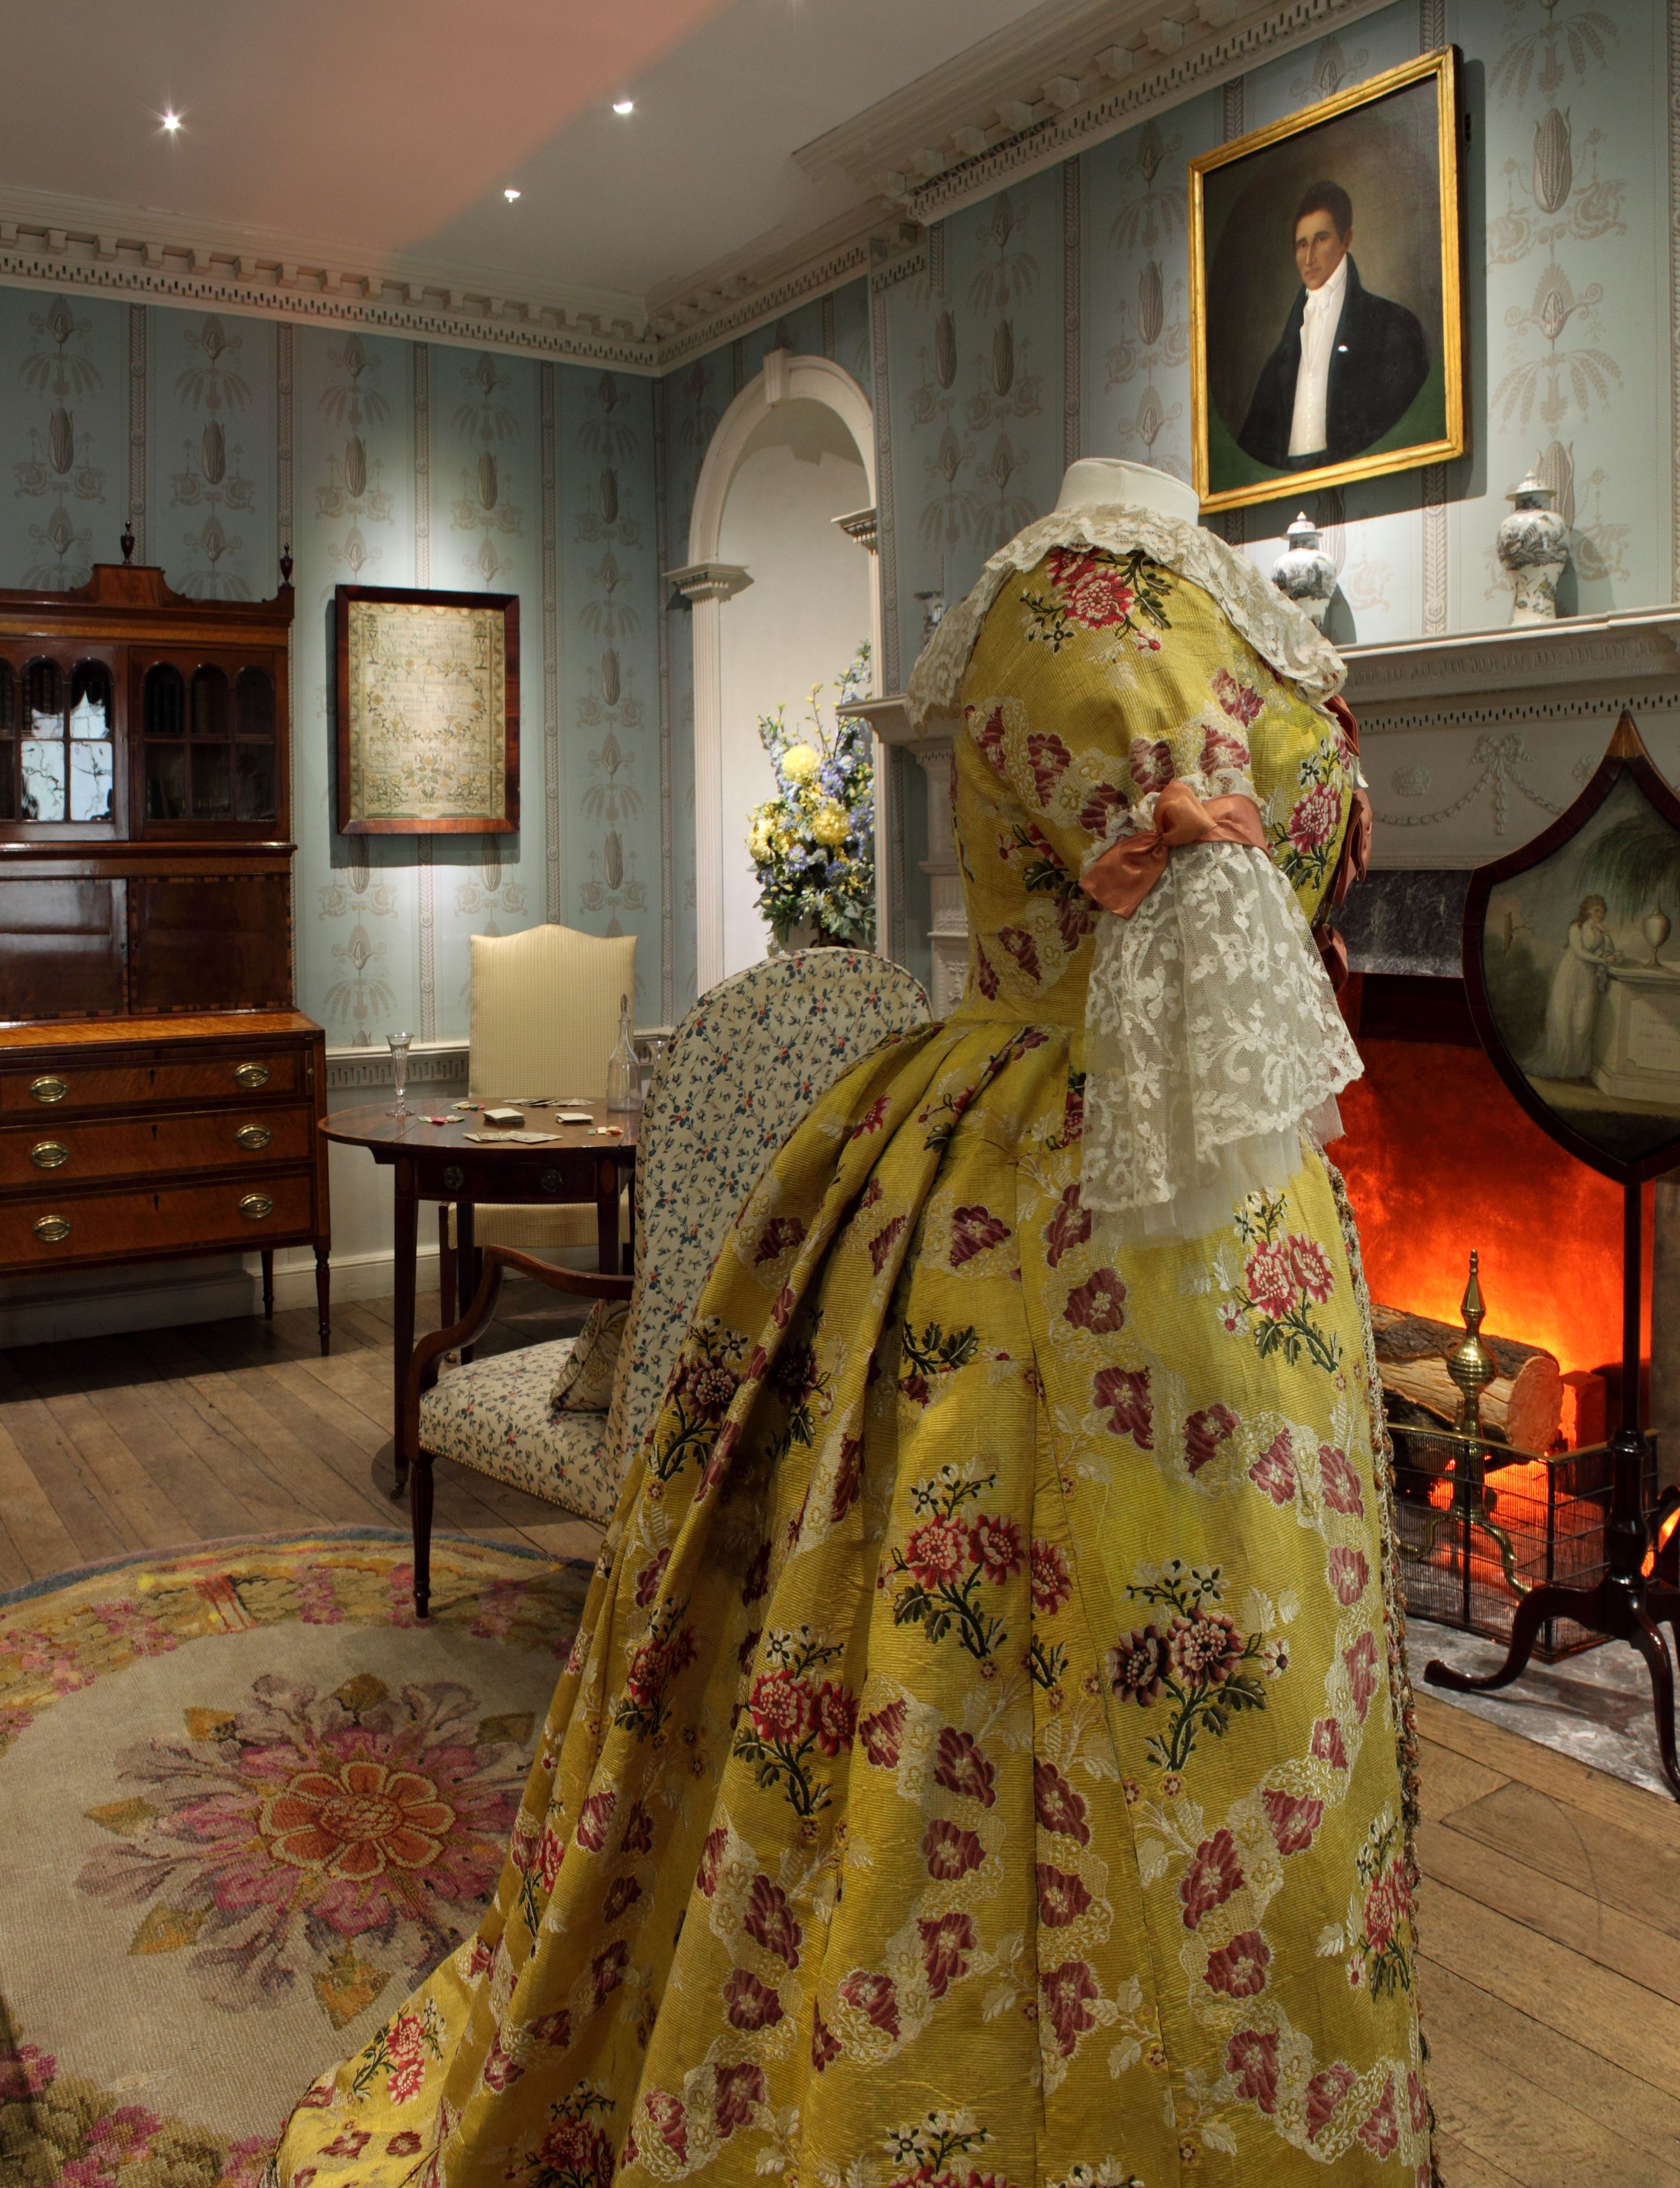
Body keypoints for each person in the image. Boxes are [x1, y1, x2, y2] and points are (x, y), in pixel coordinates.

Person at [264, 456, 1433, 2186]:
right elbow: (1185, 916)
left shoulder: (1211, 613)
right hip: (1065, 1203)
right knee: (951, 1636)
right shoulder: (1067, 608)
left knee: (1240, 1684)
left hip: (1224, 1228)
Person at [1236, 180, 1429, 473]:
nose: (1310, 258)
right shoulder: (1279, 362)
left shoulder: (1394, 327)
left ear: (1346, 239)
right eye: (1302, 245)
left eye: (1321, 239)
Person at [1531, 894, 1618, 1082]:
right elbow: (1580, 953)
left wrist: (1607, 935)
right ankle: (1561, 1067)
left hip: (1588, 976)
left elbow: (1610, 951)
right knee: (1563, 1019)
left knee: (1582, 1024)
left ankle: (1578, 1069)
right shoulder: (1576, 928)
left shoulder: (1601, 931)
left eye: (1603, 911)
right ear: (1588, 911)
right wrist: (1603, 959)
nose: (1600, 915)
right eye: (1597, 911)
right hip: (1570, 974)